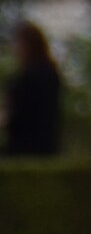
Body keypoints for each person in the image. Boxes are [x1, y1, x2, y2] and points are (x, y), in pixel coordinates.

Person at [4, 22, 62, 156]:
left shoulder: (28, 78)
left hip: (25, 146)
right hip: (45, 145)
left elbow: (18, 113)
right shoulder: (49, 74)